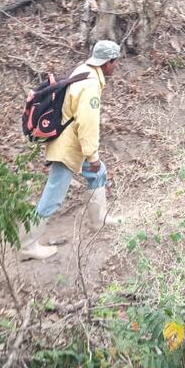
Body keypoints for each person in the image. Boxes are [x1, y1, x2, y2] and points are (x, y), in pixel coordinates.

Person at [20, 40, 122, 261]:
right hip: (67, 147)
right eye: (114, 62)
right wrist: (92, 155)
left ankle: (98, 221)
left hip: (69, 142)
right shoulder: (91, 85)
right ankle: (27, 245)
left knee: (98, 172)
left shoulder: (84, 70)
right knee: (54, 196)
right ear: (107, 62)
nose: (115, 67)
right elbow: (87, 123)